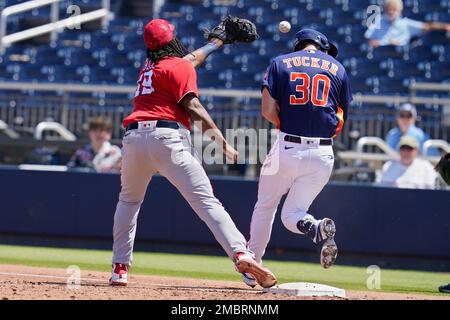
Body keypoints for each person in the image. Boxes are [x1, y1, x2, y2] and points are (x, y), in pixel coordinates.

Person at [109, 18, 277, 288]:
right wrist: (222, 142)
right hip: (168, 139)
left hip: (134, 138)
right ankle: (241, 253)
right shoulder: (177, 66)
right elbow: (194, 108)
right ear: (172, 41)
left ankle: (119, 268)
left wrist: (215, 44)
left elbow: (188, 60)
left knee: (129, 202)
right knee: (207, 203)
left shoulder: (149, 67)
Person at [242, 28, 352, 287]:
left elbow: (267, 110)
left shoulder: (279, 63)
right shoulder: (338, 68)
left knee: (266, 206)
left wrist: (290, 121)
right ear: (321, 46)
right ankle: (314, 226)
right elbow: (340, 117)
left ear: (299, 45)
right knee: (293, 213)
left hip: (287, 147)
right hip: (324, 154)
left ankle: (253, 264)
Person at [365, 0, 450, 48]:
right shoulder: (378, 21)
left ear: (400, 11)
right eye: (388, 9)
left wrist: (445, 26)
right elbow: (369, 39)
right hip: (382, 54)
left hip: (400, 56)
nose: (391, 12)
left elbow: (427, 27)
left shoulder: (406, 24)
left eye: (394, 9)